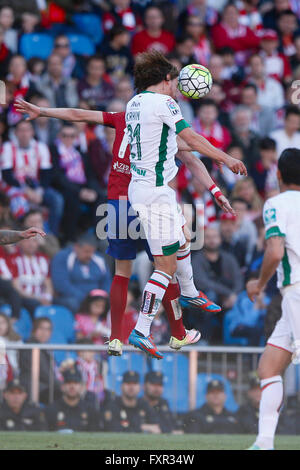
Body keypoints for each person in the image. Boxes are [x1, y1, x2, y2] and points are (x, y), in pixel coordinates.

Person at [15, 92, 238, 358]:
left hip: (118, 205)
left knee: (122, 273)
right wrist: (217, 181)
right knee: (167, 265)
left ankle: (115, 339)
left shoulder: (121, 119)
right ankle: (178, 332)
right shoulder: (159, 130)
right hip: (147, 203)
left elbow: (78, 114)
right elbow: (191, 156)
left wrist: (43, 109)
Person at [125, 50, 246, 358]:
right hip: (155, 192)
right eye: (176, 82)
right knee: (164, 268)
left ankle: (191, 293)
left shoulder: (134, 103)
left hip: (146, 189)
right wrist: (226, 157)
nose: (177, 88)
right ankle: (141, 329)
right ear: (166, 79)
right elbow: (191, 139)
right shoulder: (165, 103)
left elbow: (177, 145)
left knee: (183, 240)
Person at [246, 147, 300, 450]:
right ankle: (264, 443)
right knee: (268, 368)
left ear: (278, 174)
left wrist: (259, 283)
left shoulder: (276, 204)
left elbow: (276, 250)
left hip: (296, 291)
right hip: (291, 298)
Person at [1, 119, 64, 234]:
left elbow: (46, 174)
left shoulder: (41, 147)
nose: (24, 134)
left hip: (37, 187)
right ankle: (24, 236)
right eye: (21, 130)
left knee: (57, 199)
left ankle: (50, 236)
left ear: (32, 132)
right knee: (20, 204)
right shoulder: (8, 147)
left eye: (27, 130)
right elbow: (7, 176)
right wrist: (26, 190)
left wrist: (39, 192)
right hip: (15, 186)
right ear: (15, 133)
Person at [51, 233, 111, 313]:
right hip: (71, 297)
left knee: (116, 301)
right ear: (76, 247)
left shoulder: (99, 259)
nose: (89, 255)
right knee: (72, 303)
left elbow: (106, 281)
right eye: (86, 251)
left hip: (95, 297)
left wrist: (101, 296)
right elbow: (61, 284)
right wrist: (86, 299)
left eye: (92, 252)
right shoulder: (63, 257)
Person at [19, 317, 61, 404]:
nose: (44, 333)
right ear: (34, 330)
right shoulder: (31, 347)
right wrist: (62, 386)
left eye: (48, 329)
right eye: (41, 328)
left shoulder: (44, 348)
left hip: (45, 385)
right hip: (36, 388)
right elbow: (44, 374)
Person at [45, 366, 100, 431]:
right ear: (62, 387)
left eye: (76, 383)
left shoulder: (90, 410)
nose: (72, 386)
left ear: (82, 387)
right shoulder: (52, 409)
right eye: (68, 383)